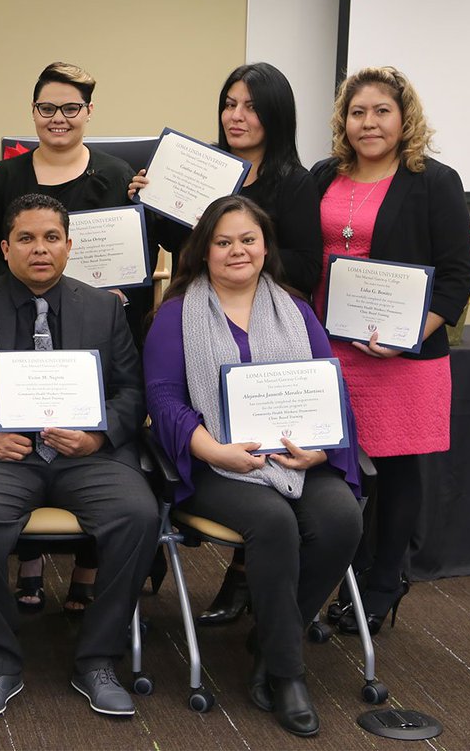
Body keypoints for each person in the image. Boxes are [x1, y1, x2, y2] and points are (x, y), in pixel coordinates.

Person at [0, 194, 159, 718]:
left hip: (88, 457)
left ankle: (97, 660)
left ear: (69, 246)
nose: (40, 249)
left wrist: (98, 436)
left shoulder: (102, 307)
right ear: (5, 248)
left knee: (138, 515)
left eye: (52, 238)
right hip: (0, 456)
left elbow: (131, 391)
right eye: (26, 239)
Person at [142, 194, 363, 737]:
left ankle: (268, 639)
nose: (236, 250)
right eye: (223, 241)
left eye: (247, 239)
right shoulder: (176, 315)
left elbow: (327, 386)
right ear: (205, 250)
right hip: (216, 464)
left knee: (341, 519)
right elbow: (164, 399)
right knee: (272, 522)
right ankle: (288, 673)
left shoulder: (295, 308)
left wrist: (320, 446)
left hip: (298, 458)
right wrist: (215, 450)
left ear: (265, 247)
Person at [130, 62, 323, 626]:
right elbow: (182, 248)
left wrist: (249, 281)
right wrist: (152, 201)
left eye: (251, 107)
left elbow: (307, 266)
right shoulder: (206, 169)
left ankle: (265, 609)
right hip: (206, 329)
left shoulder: (293, 180)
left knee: (322, 514)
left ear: (275, 115)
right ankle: (267, 620)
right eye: (229, 104)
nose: (237, 117)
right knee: (266, 511)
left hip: (273, 335)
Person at [0, 61, 147, 612]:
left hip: (98, 323)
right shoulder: (7, 177)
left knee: (90, 443)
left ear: (89, 112)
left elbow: (142, 252)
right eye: (47, 108)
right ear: (33, 113)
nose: (59, 118)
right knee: (22, 446)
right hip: (16, 326)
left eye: (71, 108)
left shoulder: (119, 174)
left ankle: (87, 575)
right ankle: (28, 562)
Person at [311, 66, 470, 636]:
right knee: (342, 472)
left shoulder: (433, 181)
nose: (369, 123)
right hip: (328, 348)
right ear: (344, 120)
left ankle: (384, 583)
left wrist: (410, 333)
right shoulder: (323, 175)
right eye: (358, 112)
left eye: (382, 111)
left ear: (404, 118)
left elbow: (457, 275)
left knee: (398, 472)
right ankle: (348, 574)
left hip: (401, 358)